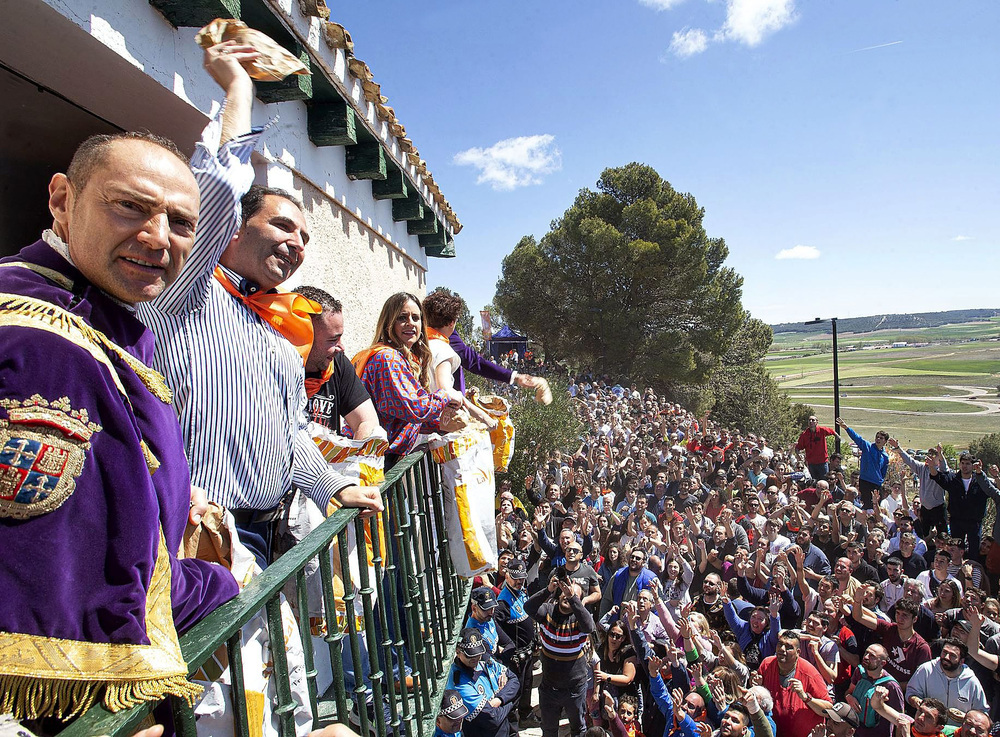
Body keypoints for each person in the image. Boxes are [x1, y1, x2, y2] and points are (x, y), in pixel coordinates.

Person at [0, 43, 271, 723]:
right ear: (63, 200)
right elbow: (93, 584)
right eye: (129, 207)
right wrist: (227, 575)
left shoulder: (103, 307)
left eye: (181, 223)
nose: (159, 238)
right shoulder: (44, 345)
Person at [137, 46, 379, 567]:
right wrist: (239, 91)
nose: (297, 244)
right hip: (189, 533)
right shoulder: (184, 291)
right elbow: (218, 189)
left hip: (261, 537)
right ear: (231, 230)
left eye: (305, 236)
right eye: (282, 225)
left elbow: (290, 432)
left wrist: (330, 488)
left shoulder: (280, 337)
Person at [352, 293, 464, 463]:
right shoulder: (388, 359)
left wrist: (440, 425)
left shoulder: (401, 357)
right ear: (389, 323)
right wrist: (447, 394)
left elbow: (400, 417)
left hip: (381, 458)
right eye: (402, 317)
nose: (410, 323)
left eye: (416, 318)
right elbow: (416, 409)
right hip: (375, 460)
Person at [297, 285, 380, 438]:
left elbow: (367, 422)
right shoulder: (276, 366)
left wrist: (358, 457)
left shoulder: (337, 363)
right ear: (304, 336)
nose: (341, 347)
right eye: (333, 339)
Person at [525, 579, 596, 737]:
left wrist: (573, 599)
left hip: (574, 689)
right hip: (550, 688)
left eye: (573, 595)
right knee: (549, 730)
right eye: (565, 592)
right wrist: (548, 588)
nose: (567, 596)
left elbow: (590, 626)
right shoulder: (547, 611)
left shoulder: (580, 619)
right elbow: (528, 607)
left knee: (578, 729)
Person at [851, 589, 930, 691]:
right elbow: (859, 617)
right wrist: (858, 600)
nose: (900, 618)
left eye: (905, 615)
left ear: (914, 619)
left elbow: (920, 681)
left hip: (899, 694)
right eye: (898, 613)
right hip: (876, 685)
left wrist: (890, 686)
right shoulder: (889, 629)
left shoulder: (921, 648)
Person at [446, 628, 520, 737]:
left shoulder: (484, 661)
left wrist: (499, 699)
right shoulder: (459, 683)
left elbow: (514, 680)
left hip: (505, 728)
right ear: (458, 652)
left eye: (477, 654)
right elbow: (492, 719)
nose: (475, 658)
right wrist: (510, 700)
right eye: (470, 655)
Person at [759, 630, 832, 736]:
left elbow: (829, 709)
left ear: (798, 652)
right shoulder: (766, 665)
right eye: (780, 644)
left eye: (788, 647)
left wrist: (806, 697)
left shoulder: (810, 673)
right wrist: (756, 685)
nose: (782, 649)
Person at [905, 638, 988, 726]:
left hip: (957, 732)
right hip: (928, 729)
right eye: (944, 652)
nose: (946, 657)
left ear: (961, 661)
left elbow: (983, 712)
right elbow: (911, 692)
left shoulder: (971, 681)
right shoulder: (926, 670)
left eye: (952, 655)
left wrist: (966, 718)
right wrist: (916, 700)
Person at [930, 454, 1000, 555]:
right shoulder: (953, 479)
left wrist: (996, 476)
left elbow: (995, 490)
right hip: (956, 521)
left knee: (974, 551)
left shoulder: (981, 481)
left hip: (974, 522)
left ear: (973, 465)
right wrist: (932, 466)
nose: (964, 466)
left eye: (967, 463)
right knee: (956, 550)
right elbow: (937, 477)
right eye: (962, 463)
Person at [846, 644, 904, 737]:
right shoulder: (859, 672)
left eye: (872, 656)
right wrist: (849, 697)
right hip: (855, 731)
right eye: (866, 653)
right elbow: (849, 692)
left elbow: (901, 720)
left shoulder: (891, 686)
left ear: (883, 663)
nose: (866, 657)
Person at [835, 419, 888, 511]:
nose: (878, 439)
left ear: (885, 441)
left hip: (876, 483)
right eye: (877, 437)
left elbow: (883, 471)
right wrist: (846, 428)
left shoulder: (885, 456)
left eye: (881, 438)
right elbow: (857, 438)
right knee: (867, 505)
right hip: (865, 480)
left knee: (876, 506)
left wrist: (880, 481)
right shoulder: (867, 446)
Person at [798, 417, 838, 482]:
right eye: (809, 420)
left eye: (813, 420)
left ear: (817, 422)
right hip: (811, 464)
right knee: (814, 482)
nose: (811, 421)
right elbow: (798, 447)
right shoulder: (804, 435)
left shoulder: (822, 430)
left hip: (822, 462)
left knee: (825, 481)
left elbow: (832, 431)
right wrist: (799, 455)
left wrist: (837, 436)